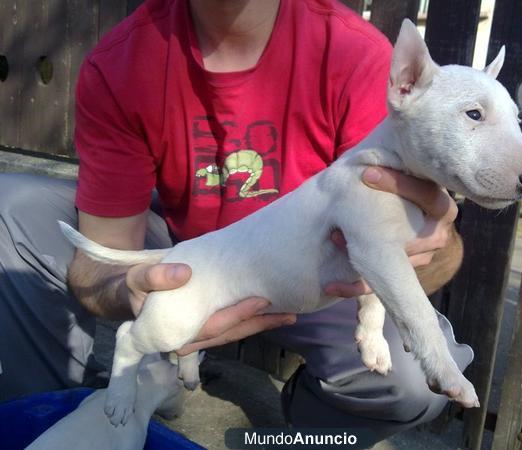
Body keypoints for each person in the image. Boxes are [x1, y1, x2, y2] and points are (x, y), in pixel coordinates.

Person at [0, 0, 470, 443]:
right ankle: (77, 411)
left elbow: (420, 255)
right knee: (11, 208)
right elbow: (101, 259)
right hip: (200, 257)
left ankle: (309, 434)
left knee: (418, 382)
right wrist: (136, 291)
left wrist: (436, 245)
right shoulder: (123, 62)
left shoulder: (357, 55)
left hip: (321, 277)